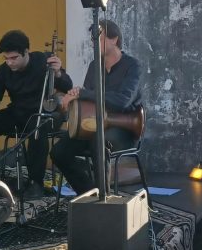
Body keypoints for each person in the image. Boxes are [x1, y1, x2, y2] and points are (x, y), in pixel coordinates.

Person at [0, 30, 72, 200]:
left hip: (47, 113)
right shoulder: (2, 71)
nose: (9, 62)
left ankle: (36, 182)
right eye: (6, 58)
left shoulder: (44, 61)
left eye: (14, 58)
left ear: (26, 52)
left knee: (38, 127)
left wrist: (57, 73)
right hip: (19, 112)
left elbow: (67, 86)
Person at [51, 19, 143, 196]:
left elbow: (123, 101)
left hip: (124, 129)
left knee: (98, 141)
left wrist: (83, 93)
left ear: (114, 39)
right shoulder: (95, 66)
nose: (94, 43)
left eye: (98, 39)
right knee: (59, 151)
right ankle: (89, 193)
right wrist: (70, 100)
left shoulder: (132, 66)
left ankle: (104, 199)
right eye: (93, 40)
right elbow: (87, 101)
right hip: (95, 125)